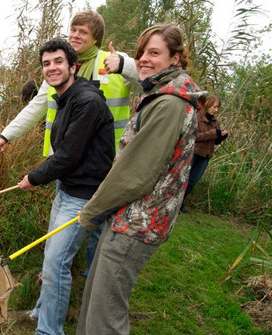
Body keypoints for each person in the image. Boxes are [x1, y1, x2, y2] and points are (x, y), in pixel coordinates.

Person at [76, 24, 206, 334]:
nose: (144, 59)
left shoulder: (170, 105)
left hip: (138, 223)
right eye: (141, 53)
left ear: (176, 59)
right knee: (93, 303)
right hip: (127, 217)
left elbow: (136, 174)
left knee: (105, 317)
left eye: (154, 53)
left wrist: (91, 212)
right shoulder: (161, 94)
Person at [0, 10, 138, 280]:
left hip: (106, 162)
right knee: (67, 224)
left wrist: (125, 63)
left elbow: (147, 80)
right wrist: (7, 135)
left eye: (83, 32)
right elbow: (35, 107)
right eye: (73, 30)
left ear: (96, 37)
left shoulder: (111, 62)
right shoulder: (58, 67)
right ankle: (57, 267)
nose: (75, 35)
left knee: (98, 224)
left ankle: (91, 275)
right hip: (66, 161)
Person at [18, 38, 115, 335]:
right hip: (67, 188)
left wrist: (33, 178)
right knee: (52, 256)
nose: (51, 68)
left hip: (83, 196)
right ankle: (41, 310)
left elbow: (68, 155)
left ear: (73, 66)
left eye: (58, 61)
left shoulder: (86, 101)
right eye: (46, 63)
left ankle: (49, 331)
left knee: (56, 263)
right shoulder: (66, 96)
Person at [180, 95, 228, 213]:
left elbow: (215, 141)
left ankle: (180, 203)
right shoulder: (196, 117)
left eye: (218, 108)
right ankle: (174, 203)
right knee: (183, 179)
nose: (216, 110)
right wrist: (214, 133)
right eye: (214, 107)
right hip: (193, 153)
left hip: (205, 156)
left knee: (192, 181)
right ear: (208, 105)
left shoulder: (215, 122)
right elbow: (194, 136)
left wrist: (221, 137)